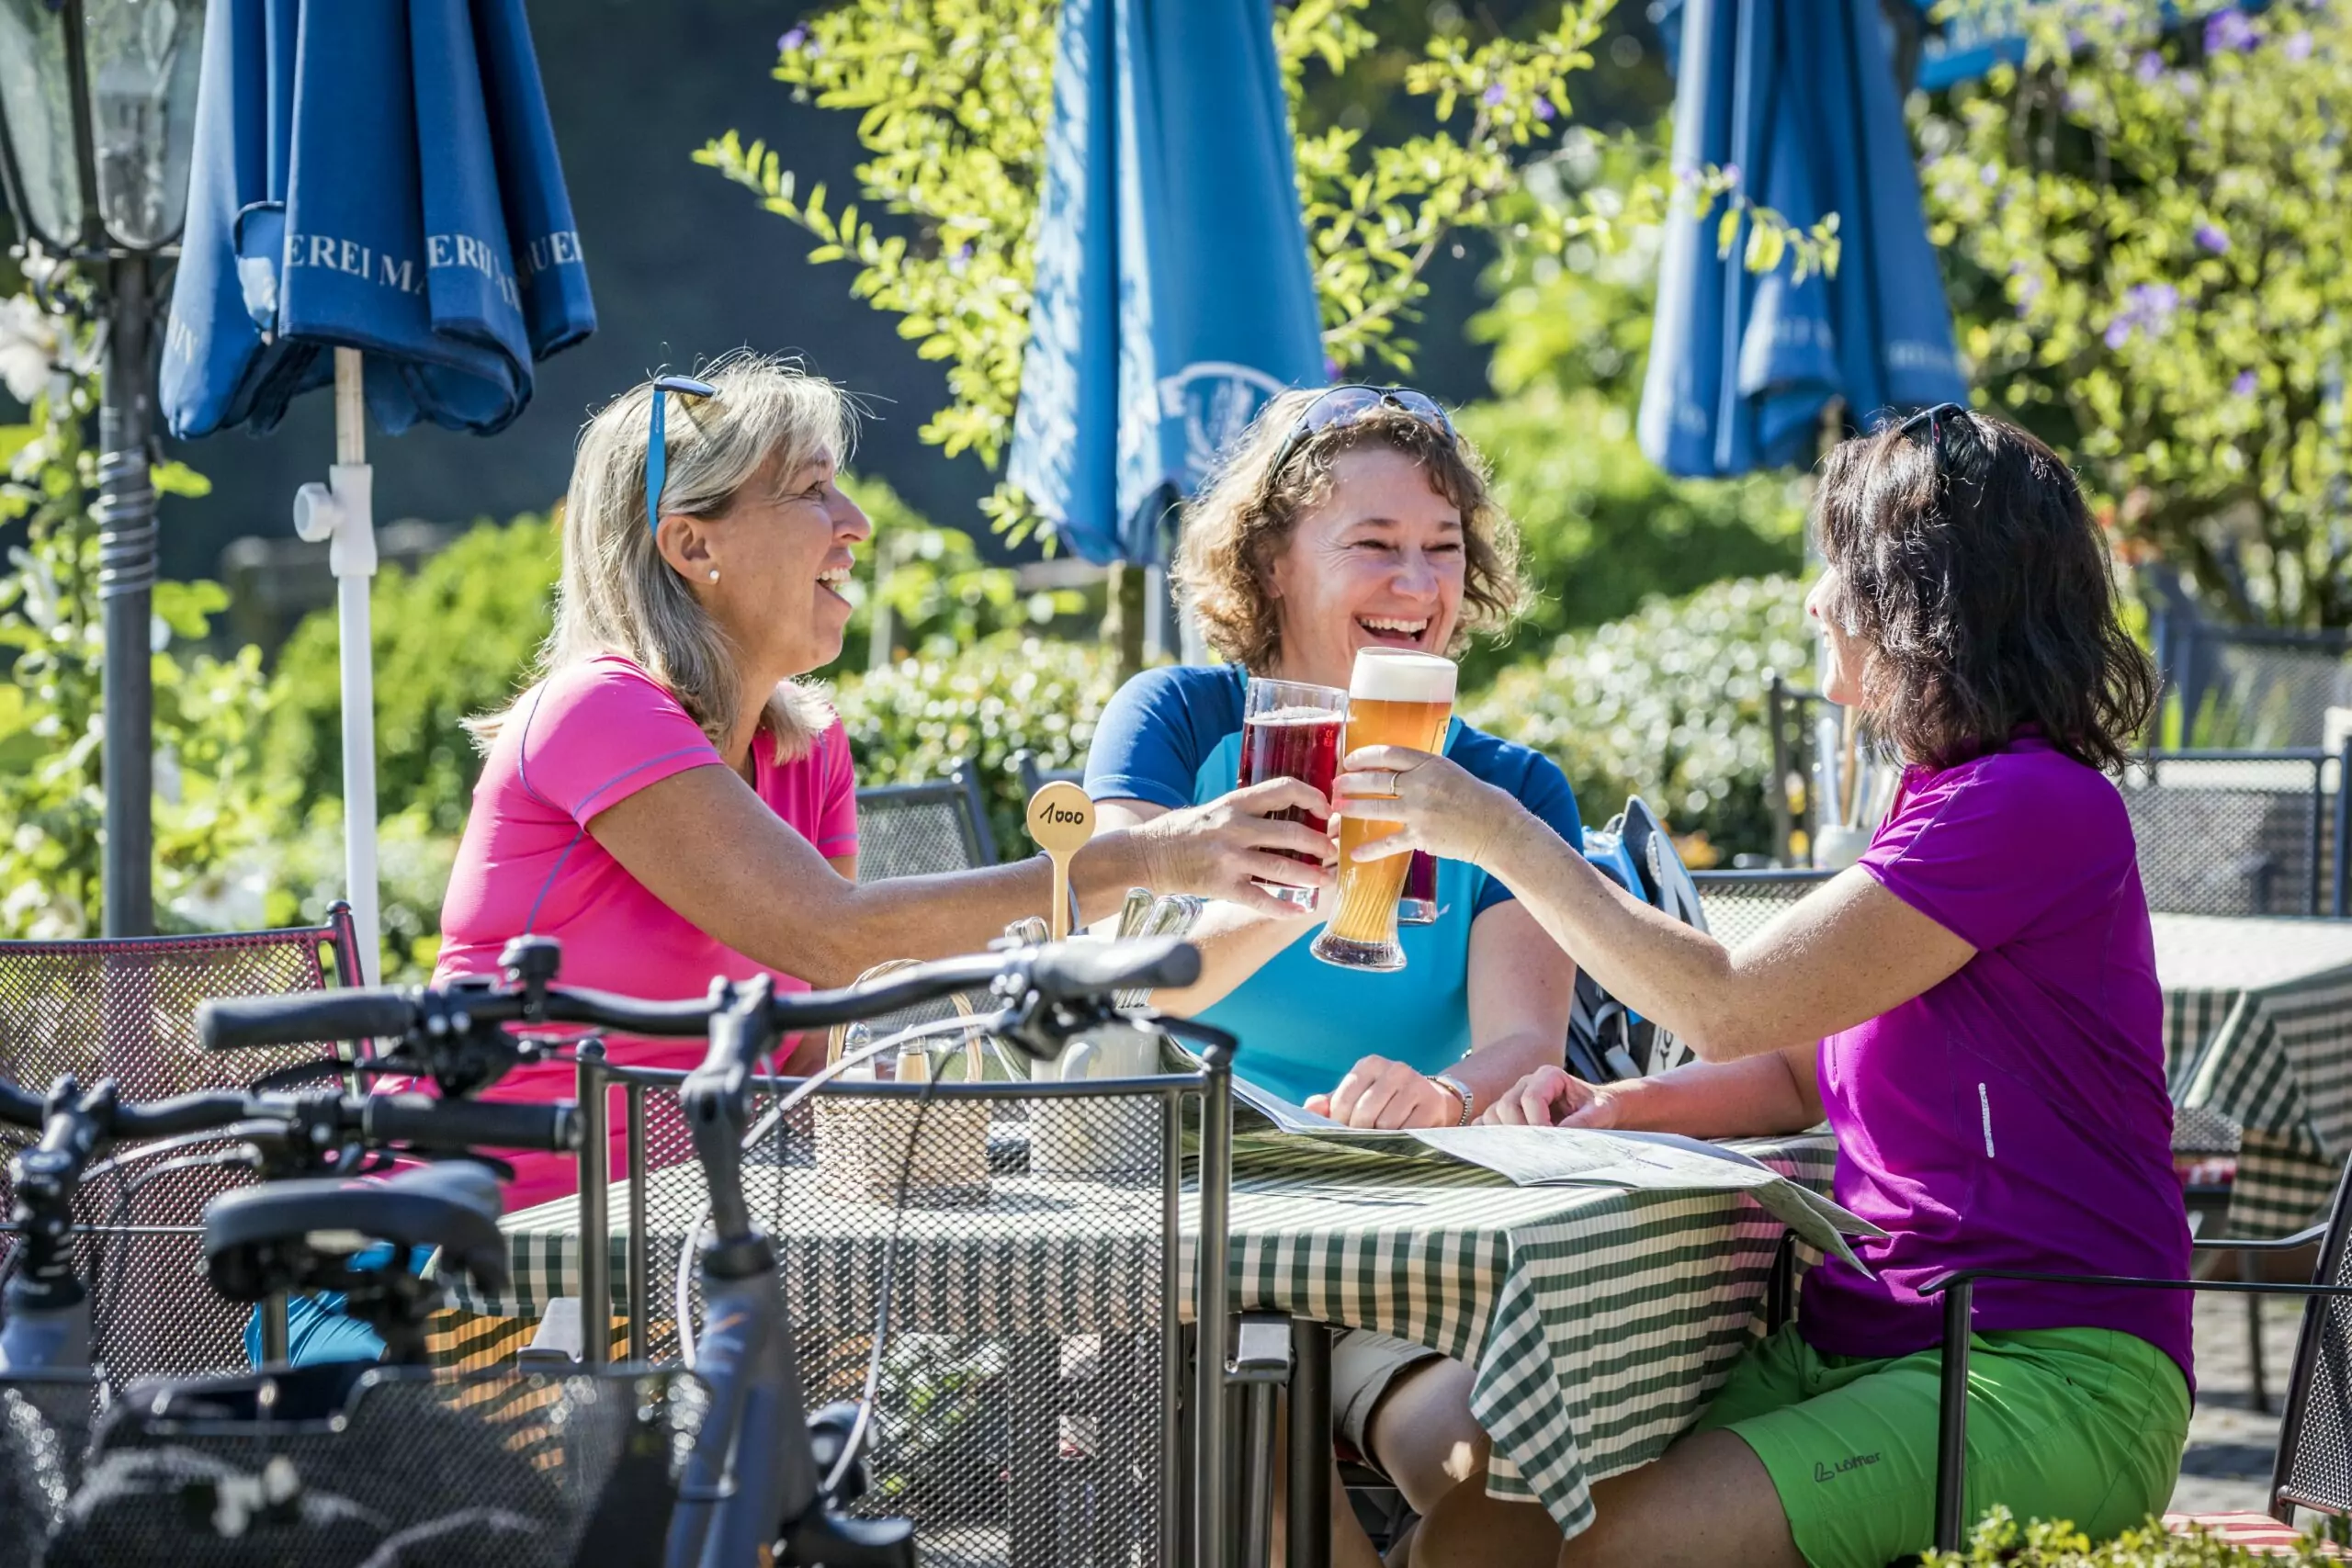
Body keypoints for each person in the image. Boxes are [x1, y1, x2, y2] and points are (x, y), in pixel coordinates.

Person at [267, 352, 1331, 1366]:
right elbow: (826, 926)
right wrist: (1143, 858)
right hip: (469, 1267)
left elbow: (828, 1015)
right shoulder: (597, 709)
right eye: (817, 490)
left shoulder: (805, 745)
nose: (857, 525)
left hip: (683, 1260)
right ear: (691, 546)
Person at [1331, 407, 2190, 1568]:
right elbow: (1797, 1066)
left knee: (1610, 1553)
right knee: (1479, 1533)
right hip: (1862, 1340)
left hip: (2035, 1366)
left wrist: (1501, 834)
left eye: (1836, 566)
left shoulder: (2028, 806)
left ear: (1916, 597)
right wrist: (1618, 1106)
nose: (1813, 599)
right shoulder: (1936, 798)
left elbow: (1727, 1002)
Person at [1083, 385, 1585, 1566]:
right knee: (1270, 1501)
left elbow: (1527, 1044)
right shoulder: (1170, 720)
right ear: (1269, 566)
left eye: (1443, 549)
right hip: (1192, 1248)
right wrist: (1304, 873)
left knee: (1511, 1477)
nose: (1418, 584)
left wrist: (1449, 1094)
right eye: (1373, 545)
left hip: (1394, 1245)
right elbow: (1126, 979)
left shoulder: (1506, 789)